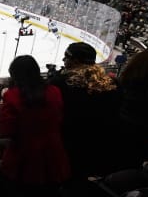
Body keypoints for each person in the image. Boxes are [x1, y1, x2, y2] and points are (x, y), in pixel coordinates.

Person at [48, 42, 120, 181]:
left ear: (74, 61)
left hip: (69, 144)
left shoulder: (61, 83)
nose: (63, 60)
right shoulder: (112, 82)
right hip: (102, 144)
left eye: (66, 57)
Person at [0, 55, 70, 197]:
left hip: (24, 158)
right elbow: (59, 118)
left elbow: (8, 130)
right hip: (53, 154)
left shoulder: (12, 96)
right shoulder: (54, 91)